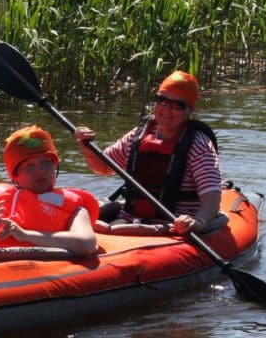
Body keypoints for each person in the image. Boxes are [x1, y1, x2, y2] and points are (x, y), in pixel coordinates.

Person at [73, 70, 224, 235]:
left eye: (177, 105)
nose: (166, 109)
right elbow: (103, 167)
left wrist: (198, 221)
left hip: (174, 226)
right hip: (130, 219)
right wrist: (86, 146)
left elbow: (212, 197)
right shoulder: (139, 135)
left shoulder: (199, 145)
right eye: (162, 100)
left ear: (190, 110)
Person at [0, 125, 98, 256]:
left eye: (46, 162)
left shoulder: (73, 207)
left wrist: (25, 235)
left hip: (29, 267)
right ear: (15, 175)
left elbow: (86, 243)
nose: (41, 171)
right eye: (29, 166)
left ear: (55, 166)